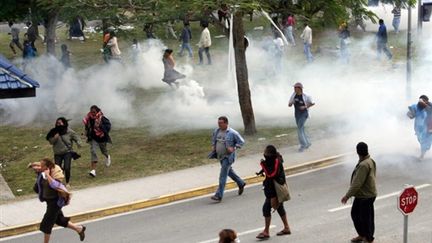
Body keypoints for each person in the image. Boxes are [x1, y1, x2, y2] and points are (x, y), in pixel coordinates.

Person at [29, 158, 86, 243]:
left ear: (47, 167)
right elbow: (37, 169)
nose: (40, 167)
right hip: (49, 202)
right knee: (59, 220)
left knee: (46, 224)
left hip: (55, 202)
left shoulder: (55, 174)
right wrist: (34, 166)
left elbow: (54, 185)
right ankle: (79, 229)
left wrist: (48, 175)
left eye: (42, 166)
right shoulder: (42, 173)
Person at [341, 142, 377, 243]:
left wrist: (347, 196)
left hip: (366, 196)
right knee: (356, 214)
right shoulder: (370, 161)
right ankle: (362, 235)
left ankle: (368, 239)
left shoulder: (364, 165)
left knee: (366, 218)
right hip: (365, 194)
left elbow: (357, 184)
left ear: (357, 152)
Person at [256, 145, 291, 240]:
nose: (264, 154)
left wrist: (263, 165)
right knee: (279, 208)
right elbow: (268, 168)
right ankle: (286, 228)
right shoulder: (272, 160)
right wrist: (261, 170)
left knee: (266, 208)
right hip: (271, 189)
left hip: (275, 190)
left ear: (270, 154)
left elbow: (272, 174)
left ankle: (266, 231)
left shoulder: (276, 161)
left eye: (266, 153)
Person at [210, 116, 246, 202]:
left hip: (228, 157)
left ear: (226, 123)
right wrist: (213, 146)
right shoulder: (217, 131)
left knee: (222, 176)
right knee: (229, 172)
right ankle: (241, 183)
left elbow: (241, 142)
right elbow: (214, 139)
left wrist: (234, 148)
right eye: (218, 123)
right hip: (220, 156)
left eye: (221, 123)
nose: (219, 124)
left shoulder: (232, 133)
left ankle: (219, 195)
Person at [46, 117, 81, 186]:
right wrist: (55, 138)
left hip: (67, 152)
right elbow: (51, 142)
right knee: (58, 169)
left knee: (67, 167)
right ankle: (59, 182)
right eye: (57, 123)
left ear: (64, 123)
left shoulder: (69, 131)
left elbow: (76, 137)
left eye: (60, 123)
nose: (58, 124)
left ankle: (67, 183)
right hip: (57, 153)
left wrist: (78, 142)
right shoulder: (53, 132)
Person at [83, 105, 112, 177]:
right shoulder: (89, 118)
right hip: (94, 138)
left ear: (97, 111)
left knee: (103, 151)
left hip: (102, 138)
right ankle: (93, 171)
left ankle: (107, 156)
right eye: (91, 111)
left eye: (94, 112)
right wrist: (86, 133)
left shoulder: (102, 118)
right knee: (93, 151)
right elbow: (87, 126)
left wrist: (101, 126)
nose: (92, 113)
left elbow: (108, 126)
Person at [288, 82, 315, 152]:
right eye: (294, 87)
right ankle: (307, 143)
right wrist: (292, 102)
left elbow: (312, 103)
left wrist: (305, 106)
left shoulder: (306, 96)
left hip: (304, 114)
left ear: (300, 88)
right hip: (297, 114)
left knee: (299, 129)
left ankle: (303, 145)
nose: (294, 89)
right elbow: (289, 104)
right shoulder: (293, 95)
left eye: (295, 87)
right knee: (301, 129)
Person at [408, 95, 432, 160]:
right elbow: (411, 115)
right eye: (420, 100)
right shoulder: (416, 107)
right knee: (420, 140)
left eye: (423, 100)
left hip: (428, 127)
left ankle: (422, 155)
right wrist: (410, 114)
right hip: (418, 128)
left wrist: (424, 104)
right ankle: (423, 149)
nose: (421, 102)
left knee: (425, 140)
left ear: (427, 101)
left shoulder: (430, 106)